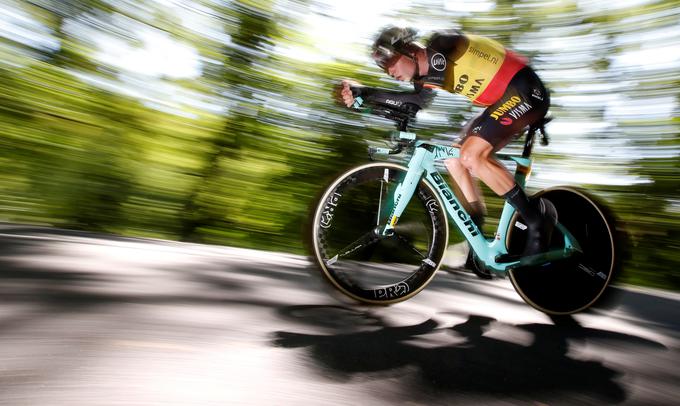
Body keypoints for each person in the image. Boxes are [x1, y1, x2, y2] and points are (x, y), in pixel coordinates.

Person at [339, 26, 555, 258]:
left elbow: (444, 52)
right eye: (384, 67)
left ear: (409, 49)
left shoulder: (442, 44)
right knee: (455, 160)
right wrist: (366, 96)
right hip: (502, 100)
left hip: (525, 90)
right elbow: (414, 103)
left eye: (390, 61)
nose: (389, 71)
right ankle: (477, 243)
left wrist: (370, 93)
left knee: (471, 155)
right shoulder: (427, 79)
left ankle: (536, 221)